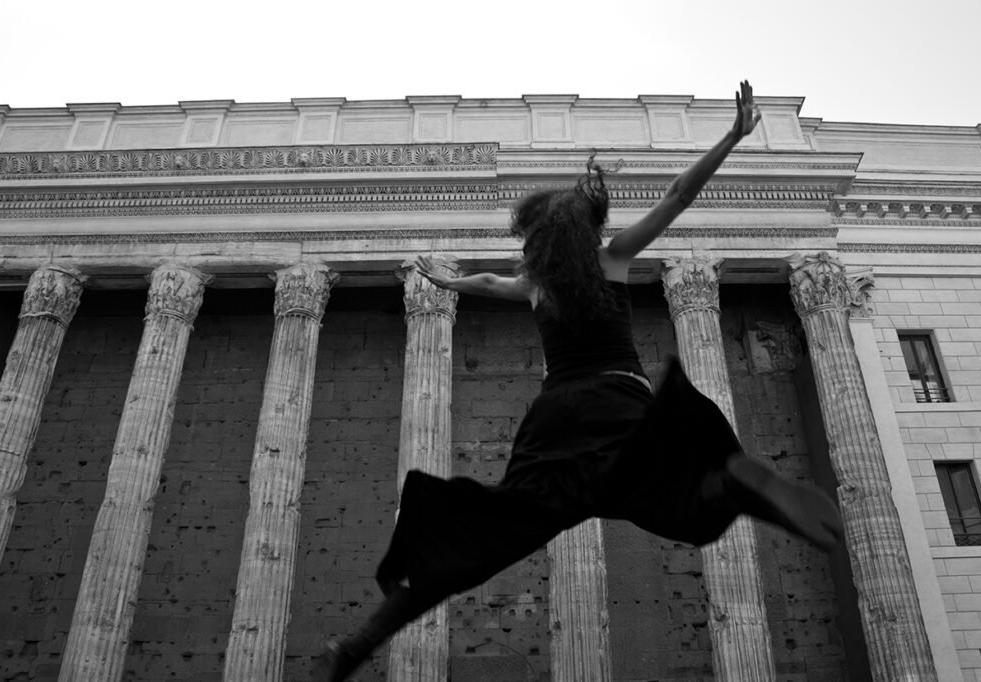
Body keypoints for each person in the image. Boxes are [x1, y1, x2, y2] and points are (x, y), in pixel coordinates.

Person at [311, 81, 843, 682]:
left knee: (479, 546)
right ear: (587, 228)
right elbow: (677, 194)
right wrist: (730, 136)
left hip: (555, 425)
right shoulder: (612, 258)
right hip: (620, 404)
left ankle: (354, 646)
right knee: (682, 509)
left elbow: (489, 284)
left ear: (539, 240)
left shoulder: (538, 284)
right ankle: (739, 484)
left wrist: (447, 281)